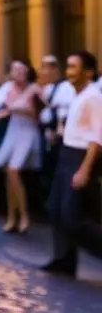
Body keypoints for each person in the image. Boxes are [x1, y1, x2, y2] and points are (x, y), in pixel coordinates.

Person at [42, 51, 102, 278]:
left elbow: (97, 138)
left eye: (73, 67)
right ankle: (63, 261)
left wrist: (85, 169)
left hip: (80, 157)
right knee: (55, 209)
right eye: (67, 66)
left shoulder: (93, 97)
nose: (69, 71)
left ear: (88, 72)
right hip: (66, 154)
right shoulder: (77, 95)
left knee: (72, 217)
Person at [0, 60, 43, 233]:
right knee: (8, 174)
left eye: (21, 69)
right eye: (14, 69)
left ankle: (24, 215)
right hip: (13, 130)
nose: (18, 72)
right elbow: (6, 110)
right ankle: (11, 217)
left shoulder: (34, 89)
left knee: (13, 170)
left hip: (28, 131)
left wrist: (20, 108)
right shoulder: (9, 89)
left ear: (27, 71)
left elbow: (40, 114)